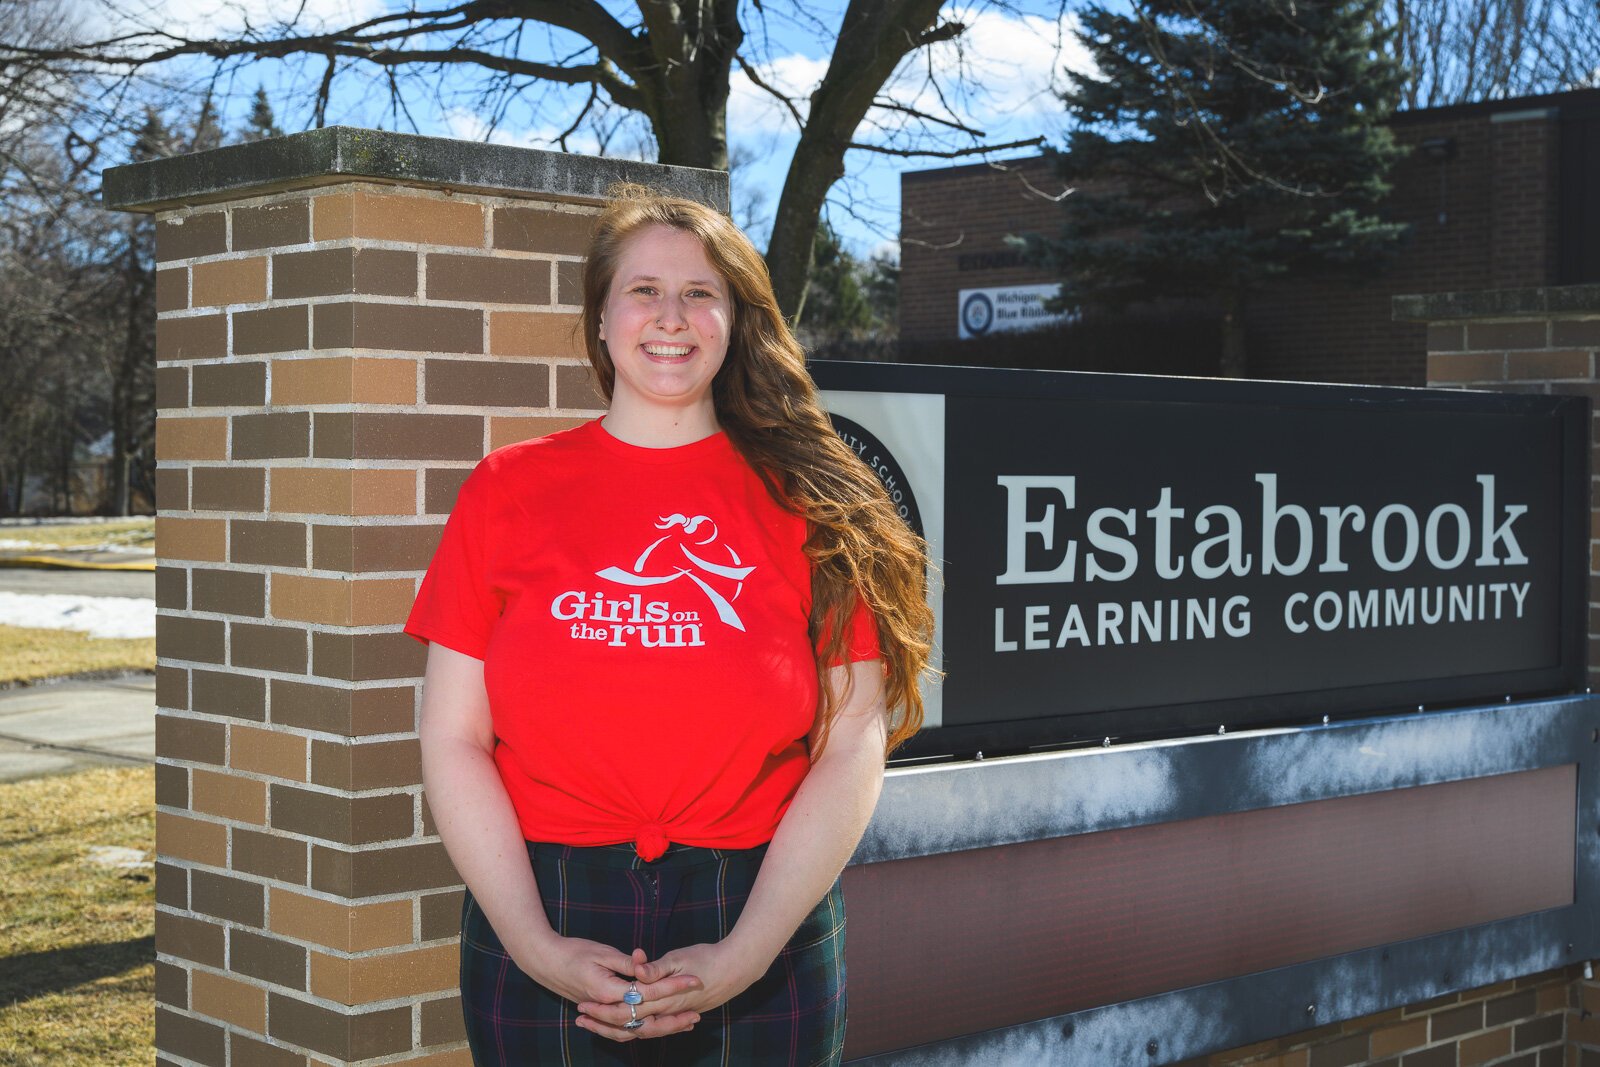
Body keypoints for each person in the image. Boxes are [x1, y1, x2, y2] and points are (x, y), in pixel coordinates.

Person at [404, 183, 935, 1066]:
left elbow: (853, 740)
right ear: (603, 319)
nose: (672, 316)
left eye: (701, 293)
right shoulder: (506, 490)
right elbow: (454, 736)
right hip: (547, 901)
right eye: (644, 289)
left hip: (761, 904)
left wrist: (748, 950)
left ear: (735, 321)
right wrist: (535, 945)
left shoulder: (818, 500)